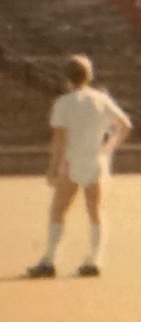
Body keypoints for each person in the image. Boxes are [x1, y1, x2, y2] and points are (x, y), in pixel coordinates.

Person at [28, 55, 132, 278]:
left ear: (66, 77)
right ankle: (95, 260)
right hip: (96, 161)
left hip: (72, 162)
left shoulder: (63, 104)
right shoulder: (101, 99)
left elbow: (59, 140)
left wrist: (53, 166)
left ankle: (50, 259)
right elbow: (124, 125)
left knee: (58, 210)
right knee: (95, 211)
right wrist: (109, 147)